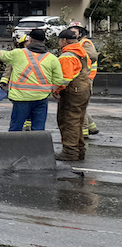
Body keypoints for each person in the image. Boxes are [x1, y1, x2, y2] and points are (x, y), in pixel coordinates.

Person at [0, 28, 64, 132]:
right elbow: (58, 80)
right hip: (41, 98)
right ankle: (36, 143)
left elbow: (2, 55)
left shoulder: (18, 54)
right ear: (44, 41)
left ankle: (14, 143)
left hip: (21, 98)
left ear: (30, 39)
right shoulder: (52, 58)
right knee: (38, 129)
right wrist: (53, 91)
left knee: (16, 128)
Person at [53, 28, 92, 161]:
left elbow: (65, 78)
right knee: (78, 120)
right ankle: (79, 150)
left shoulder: (67, 56)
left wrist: (57, 90)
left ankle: (70, 151)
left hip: (73, 90)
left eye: (60, 40)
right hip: (84, 88)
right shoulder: (82, 52)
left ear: (64, 41)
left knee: (69, 121)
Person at [69, 23, 99, 137]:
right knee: (81, 105)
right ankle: (92, 127)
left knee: (80, 106)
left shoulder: (84, 43)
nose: (72, 35)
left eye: (74, 32)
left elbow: (93, 56)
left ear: (81, 33)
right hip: (82, 78)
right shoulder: (77, 44)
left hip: (85, 78)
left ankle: (83, 131)